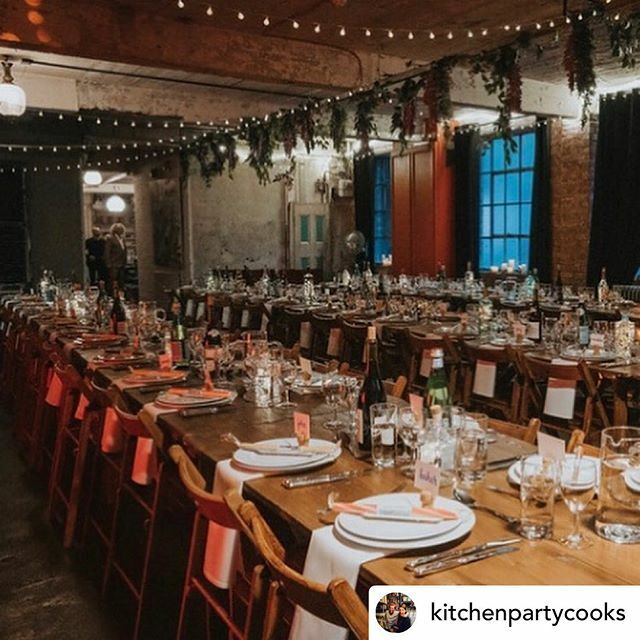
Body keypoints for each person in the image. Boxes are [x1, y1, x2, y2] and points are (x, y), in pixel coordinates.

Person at [104, 222, 127, 294]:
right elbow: (107, 251)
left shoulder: (122, 239)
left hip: (121, 263)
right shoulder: (110, 239)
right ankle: (110, 295)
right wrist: (108, 263)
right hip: (114, 263)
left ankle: (120, 295)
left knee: (121, 281)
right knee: (111, 281)